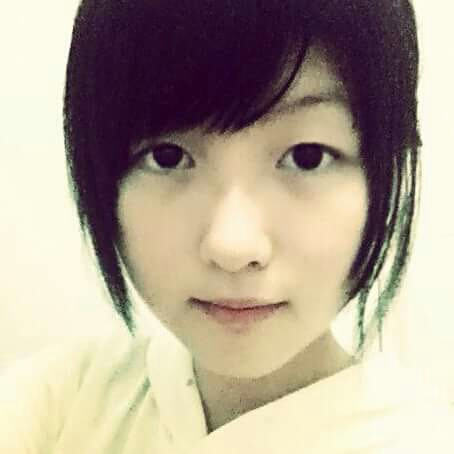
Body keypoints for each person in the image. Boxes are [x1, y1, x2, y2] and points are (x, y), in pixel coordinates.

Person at [1, 0, 453, 452]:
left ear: (385, 173)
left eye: (307, 157)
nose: (233, 246)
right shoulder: (66, 404)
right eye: (168, 157)